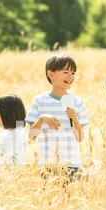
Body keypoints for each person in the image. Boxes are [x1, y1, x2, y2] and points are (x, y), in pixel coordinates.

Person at [25, 53, 89, 183]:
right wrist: (42, 119)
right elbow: (31, 136)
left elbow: (80, 138)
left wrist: (75, 119)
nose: (70, 77)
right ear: (51, 74)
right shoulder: (39, 101)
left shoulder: (77, 102)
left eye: (73, 73)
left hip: (72, 164)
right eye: (65, 72)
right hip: (47, 164)